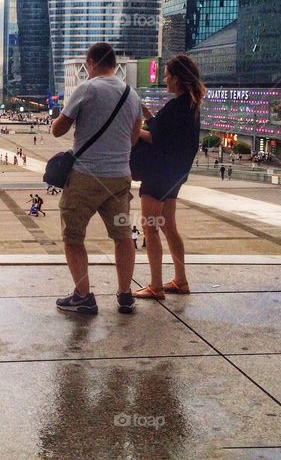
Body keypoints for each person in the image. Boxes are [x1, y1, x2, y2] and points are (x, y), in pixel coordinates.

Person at [51, 42, 142, 315]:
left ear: (90, 62)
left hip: (85, 177)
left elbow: (58, 130)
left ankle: (83, 296)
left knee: (74, 236)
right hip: (120, 177)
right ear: (114, 64)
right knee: (123, 236)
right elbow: (135, 137)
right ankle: (125, 295)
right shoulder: (132, 94)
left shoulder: (87, 88)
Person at [132, 55, 203, 301]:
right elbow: (167, 132)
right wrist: (148, 115)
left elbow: (156, 137)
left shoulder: (176, 106)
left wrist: (134, 130)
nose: (164, 79)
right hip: (175, 175)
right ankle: (181, 280)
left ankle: (155, 286)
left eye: (166, 75)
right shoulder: (191, 106)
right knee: (169, 227)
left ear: (177, 78)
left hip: (158, 174)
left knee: (149, 229)